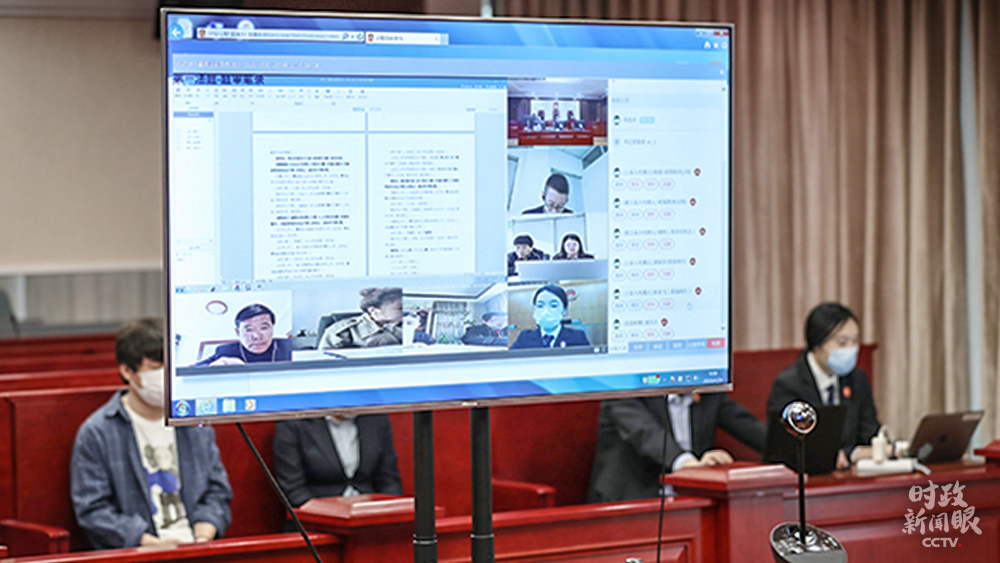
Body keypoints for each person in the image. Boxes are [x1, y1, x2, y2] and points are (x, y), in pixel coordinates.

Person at [71, 318, 232, 549]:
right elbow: (94, 511)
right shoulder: (98, 432)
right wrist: (149, 543)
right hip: (139, 551)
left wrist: (204, 535)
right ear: (127, 371)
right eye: (156, 369)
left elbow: (217, 491)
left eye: (171, 366)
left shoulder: (193, 422)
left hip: (198, 547)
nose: (166, 377)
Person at [587, 393, 767, 503]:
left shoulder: (708, 392)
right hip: (631, 501)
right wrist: (689, 465)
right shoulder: (627, 388)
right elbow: (646, 434)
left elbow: (748, 427)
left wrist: (782, 449)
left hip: (691, 500)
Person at [767, 303, 881, 470]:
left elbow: (869, 434)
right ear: (817, 344)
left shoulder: (857, 379)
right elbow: (786, 448)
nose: (851, 349)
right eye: (842, 342)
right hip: (807, 476)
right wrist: (850, 454)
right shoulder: (788, 384)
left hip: (849, 476)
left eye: (855, 341)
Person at [273, 414, 403, 508]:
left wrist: (390, 510)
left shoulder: (376, 418)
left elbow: (389, 479)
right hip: (316, 519)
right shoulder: (294, 422)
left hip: (368, 515)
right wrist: (334, 513)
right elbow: (294, 490)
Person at [197, 303, 292, 366]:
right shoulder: (226, 352)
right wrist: (217, 365)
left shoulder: (290, 347)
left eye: (264, 328)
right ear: (237, 332)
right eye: (249, 330)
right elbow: (194, 370)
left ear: (272, 328)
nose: (257, 336)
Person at [319, 288, 404, 350]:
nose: (406, 311)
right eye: (400, 308)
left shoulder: (406, 326)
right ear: (373, 310)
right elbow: (325, 361)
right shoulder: (343, 332)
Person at [509, 284, 590, 349]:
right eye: (540, 306)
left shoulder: (578, 337)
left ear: (564, 310)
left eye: (553, 305)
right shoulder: (524, 337)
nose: (546, 311)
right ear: (534, 309)